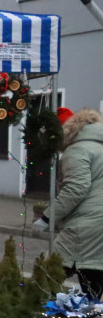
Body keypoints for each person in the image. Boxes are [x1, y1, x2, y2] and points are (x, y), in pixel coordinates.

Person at [35, 107, 103, 300]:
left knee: (49, 275)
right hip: (98, 224)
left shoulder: (77, 150)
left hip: (86, 226)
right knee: (93, 282)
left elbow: (76, 188)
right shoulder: (99, 147)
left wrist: (48, 217)